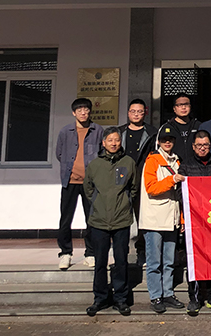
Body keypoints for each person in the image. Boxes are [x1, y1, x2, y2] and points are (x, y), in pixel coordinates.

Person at [83, 127, 138, 317]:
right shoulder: (94, 164)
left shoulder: (128, 162)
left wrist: (125, 203)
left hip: (121, 219)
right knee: (100, 261)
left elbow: (134, 188)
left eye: (117, 140)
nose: (114, 143)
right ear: (103, 143)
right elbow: (88, 189)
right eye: (110, 140)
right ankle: (100, 298)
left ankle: (121, 298)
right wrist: (99, 204)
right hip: (99, 220)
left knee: (121, 260)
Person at [178, 130, 211, 315]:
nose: (202, 148)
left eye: (205, 145)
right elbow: (180, 193)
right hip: (195, 221)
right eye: (199, 145)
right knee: (194, 259)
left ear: (210, 145)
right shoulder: (186, 166)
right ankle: (195, 298)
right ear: (193, 146)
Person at [139, 124, 186, 314]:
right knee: (154, 262)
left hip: (171, 219)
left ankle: (168, 293)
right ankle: (155, 296)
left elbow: (179, 196)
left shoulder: (177, 160)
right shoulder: (152, 160)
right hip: (154, 220)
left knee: (169, 261)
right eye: (164, 140)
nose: (167, 142)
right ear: (158, 142)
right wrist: (172, 180)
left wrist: (181, 219)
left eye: (171, 139)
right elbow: (151, 188)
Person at [55, 97, 104, 270]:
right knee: (65, 218)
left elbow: (102, 153)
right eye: (79, 110)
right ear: (73, 113)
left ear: (90, 111)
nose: (83, 113)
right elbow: (59, 154)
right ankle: (65, 253)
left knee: (91, 218)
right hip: (69, 180)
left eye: (86, 109)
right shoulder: (65, 131)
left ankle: (90, 253)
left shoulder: (98, 130)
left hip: (90, 183)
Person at [118, 98, 157, 265]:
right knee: (121, 218)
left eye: (140, 111)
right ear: (128, 113)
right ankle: (121, 252)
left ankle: (142, 251)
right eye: (133, 111)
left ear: (145, 113)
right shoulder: (120, 132)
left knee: (143, 218)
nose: (136, 114)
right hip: (122, 181)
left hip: (143, 180)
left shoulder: (152, 132)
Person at [164, 93, 202, 160]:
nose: (183, 107)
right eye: (180, 105)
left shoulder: (198, 126)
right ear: (174, 108)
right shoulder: (167, 127)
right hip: (174, 164)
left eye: (186, 104)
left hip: (195, 164)